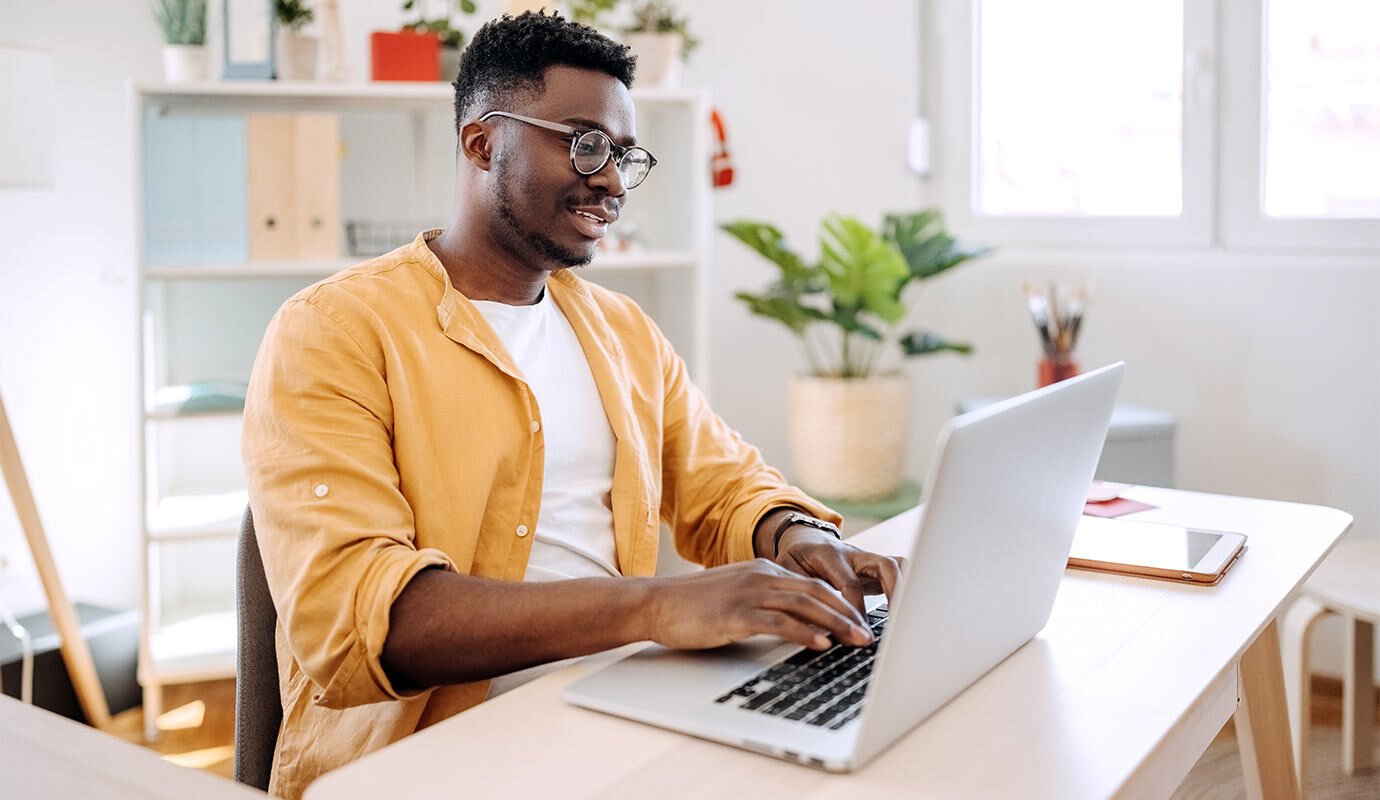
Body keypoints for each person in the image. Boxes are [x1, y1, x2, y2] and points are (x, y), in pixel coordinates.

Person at [242, 11, 902, 799]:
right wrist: (655, 607)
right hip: (433, 760)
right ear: (482, 143)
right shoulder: (333, 331)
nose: (615, 181)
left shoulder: (620, 330)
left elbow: (725, 484)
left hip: (622, 713)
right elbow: (358, 618)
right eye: (585, 144)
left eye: (624, 154)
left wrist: (791, 533)